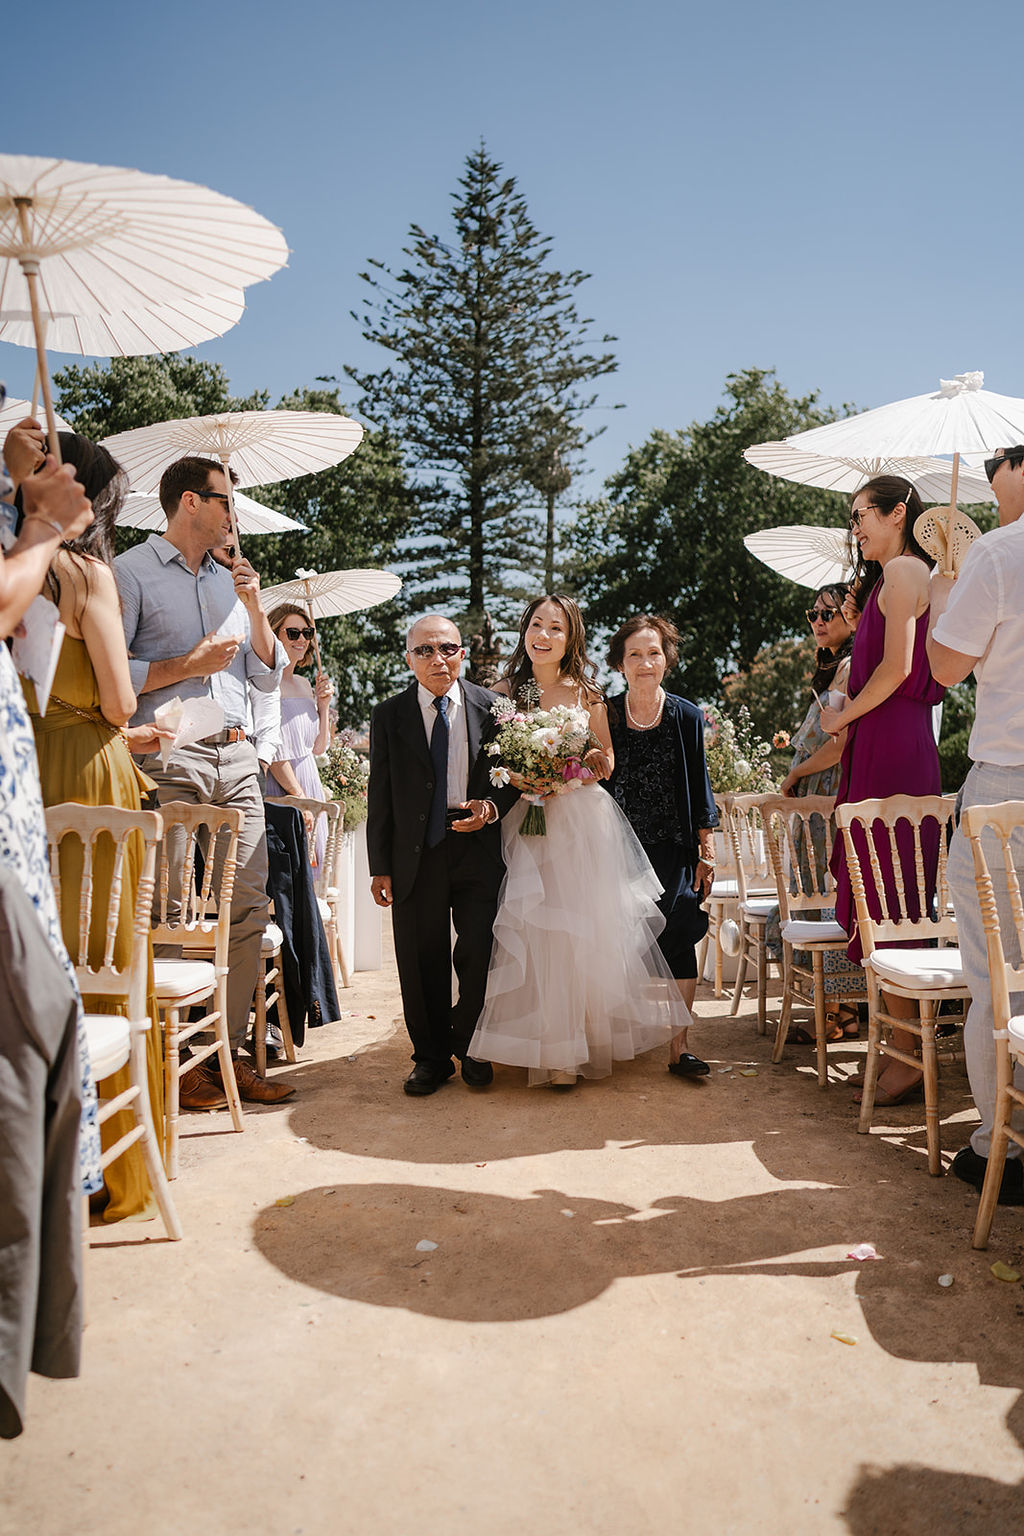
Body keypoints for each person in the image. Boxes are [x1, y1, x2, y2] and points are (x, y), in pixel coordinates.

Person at [10, 428, 167, 1221]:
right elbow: (118, 701)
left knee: (38, 960)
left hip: (22, 760)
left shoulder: (18, 569)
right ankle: (112, 1173)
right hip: (87, 766)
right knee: (99, 953)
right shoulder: (89, 575)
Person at [114, 456, 293, 1107]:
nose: (232, 516)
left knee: (247, 907)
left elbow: (269, 673)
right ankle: (179, 1059)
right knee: (170, 912)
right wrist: (184, 664)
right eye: (224, 502)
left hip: (238, 757)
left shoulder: (234, 586)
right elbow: (113, 674)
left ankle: (230, 1053)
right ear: (191, 503)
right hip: (170, 752)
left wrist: (253, 604)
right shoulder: (130, 573)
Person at [469, 596, 693, 1087]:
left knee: (573, 932)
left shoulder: (587, 692)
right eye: (535, 625)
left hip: (577, 821)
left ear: (571, 638)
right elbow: (489, 762)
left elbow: (605, 760)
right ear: (524, 630)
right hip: (523, 820)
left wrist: (571, 765)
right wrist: (519, 774)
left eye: (556, 628)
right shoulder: (506, 692)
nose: (543, 636)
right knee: (530, 929)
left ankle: (568, 1052)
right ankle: (533, 1042)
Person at [820, 476, 943, 1105]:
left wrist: (841, 716)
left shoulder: (902, 571)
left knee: (891, 894)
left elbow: (899, 669)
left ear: (898, 513)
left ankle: (911, 1053)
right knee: (888, 896)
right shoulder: (903, 577)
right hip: (889, 742)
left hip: (892, 746)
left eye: (861, 515)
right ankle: (902, 1044)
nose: (855, 529)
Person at [928, 444, 1024, 1205]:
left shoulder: (998, 552)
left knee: (998, 978)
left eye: (1000, 496)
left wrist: (946, 595)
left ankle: (1005, 1146)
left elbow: (946, 668)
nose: (996, 511)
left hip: (1009, 790)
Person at [367, 614, 517, 1095]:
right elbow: (381, 794)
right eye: (425, 651)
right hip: (416, 853)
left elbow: (511, 778)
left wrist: (492, 808)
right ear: (408, 658)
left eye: (447, 648)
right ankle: (430, 1057)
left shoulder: (494, 708)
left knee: (479, 954)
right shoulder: (389, 714)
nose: (438, 659)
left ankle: (472, 1045)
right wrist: (380, 866)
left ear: (463, 654)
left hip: (476, 849)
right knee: (420, 957)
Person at [603, 613, 718, 1077]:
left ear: (666, 660)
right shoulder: (606, 714)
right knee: (616, 941)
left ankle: (679, 1047)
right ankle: (615, 1039)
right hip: (616, 847)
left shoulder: (686, 715)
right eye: (635, 654)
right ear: (620, 663)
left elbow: (701, 787)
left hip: (673, 846)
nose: (645, 662)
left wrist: (705, 852)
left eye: (653, 653)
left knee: (679, 929)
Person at [773, 584, 866, 1040]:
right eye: (813, 613)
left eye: (829, 613)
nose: (819, 621)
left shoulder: (848, 667)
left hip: (825, 799)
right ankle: (836, 1011)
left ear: (852, 616)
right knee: (816, 894)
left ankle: (834, 1015)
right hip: (816, 800)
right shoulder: (832, 668)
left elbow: (838, 746)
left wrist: (793, 776)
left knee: (823, 896)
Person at [264, 603, 334, 871]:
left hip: (309, 783)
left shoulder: (304, 683)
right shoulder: (267, 684)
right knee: (288, 875)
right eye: (293, 633)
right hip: (285, 789)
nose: (302, 639)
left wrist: (323, 706)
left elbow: (318, 748)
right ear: (274, 635)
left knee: (313, 875)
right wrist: (300, 797)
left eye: (307, 632)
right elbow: (275, 755)